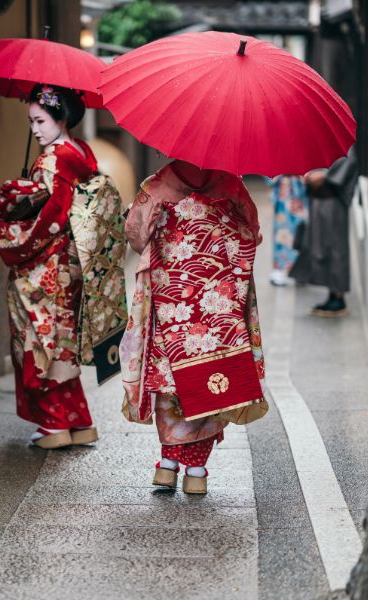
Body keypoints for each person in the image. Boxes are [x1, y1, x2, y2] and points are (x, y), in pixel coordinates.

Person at [0, 84, 126, 449]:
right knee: (60, 341)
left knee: (37, 339)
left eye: (40, 120)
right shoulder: (81, 151)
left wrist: (12, 234)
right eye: (31, 121)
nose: (34, 129)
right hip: (74, 262)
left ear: (61, 117)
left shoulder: (52, 160)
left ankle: (54, 425)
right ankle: (78, 422)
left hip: (47, 265)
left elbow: (51, 216)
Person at [119, 160, 268, 494]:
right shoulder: (232, 185)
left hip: (172, 304)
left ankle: (168, 466)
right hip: (217, 310)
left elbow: (135, 234)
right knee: (212, 379)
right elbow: (252, 233)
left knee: (171, 380)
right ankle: (197, 470)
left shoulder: (157, 187)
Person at [290, 148, 358, 316]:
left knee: (336, 248)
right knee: (322, 247)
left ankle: (339, 297)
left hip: (333, 203)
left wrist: (325, 177)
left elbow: (348, 165)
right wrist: (307, 174)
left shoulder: (345, 145)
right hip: (319, 201)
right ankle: (332, 294)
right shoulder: (322, 141)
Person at [267, 176, 308, 286]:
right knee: (281, 234)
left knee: (300, 232)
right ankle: (280, 269)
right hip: (283, 192)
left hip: (299, 192)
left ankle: (300, 269)